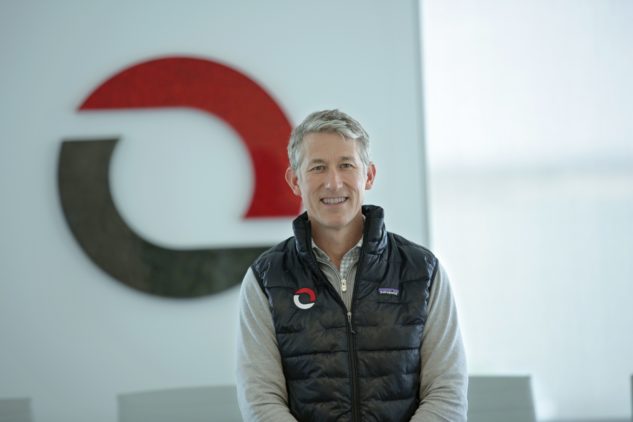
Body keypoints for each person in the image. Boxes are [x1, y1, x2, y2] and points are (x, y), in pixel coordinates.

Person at [236, 109, 467, 421]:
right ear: (294, 180)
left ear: (368, 175)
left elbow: (447, 391)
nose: (333, 182)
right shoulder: (266, 279)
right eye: (318, 167)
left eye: (346, 165)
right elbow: (261, 400)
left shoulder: (423, 271)